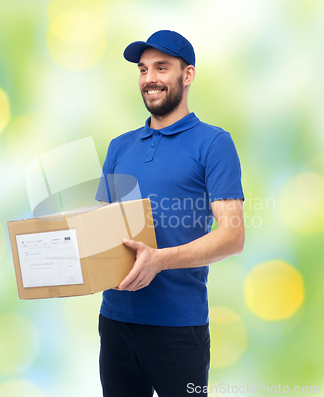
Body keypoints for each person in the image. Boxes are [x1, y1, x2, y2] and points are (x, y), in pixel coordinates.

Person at [95, 30, 245, 397]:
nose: (150, 79)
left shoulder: (213, 143)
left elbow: (233, 236)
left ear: (187, 74)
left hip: (177, 326)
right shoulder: (120, 146)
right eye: (143, 70)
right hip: (114, 320)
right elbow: (100, 229)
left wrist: (159, 260)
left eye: (161, 68)